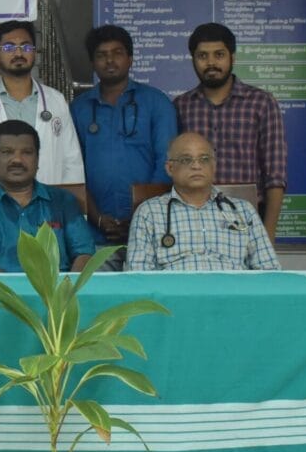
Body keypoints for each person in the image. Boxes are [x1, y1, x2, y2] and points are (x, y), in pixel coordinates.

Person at [174, 22, 287, 239]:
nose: (211, 63)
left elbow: (275, 175)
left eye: (219, 55)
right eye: (202, 56)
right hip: (192, 219)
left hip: (248, 217)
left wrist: (268, 235)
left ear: (232, 58)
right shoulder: (181, 107)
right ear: (193, 60)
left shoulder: (261, 103)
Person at [70, 25, 178, 247]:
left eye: (117, 53)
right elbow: (73, 170)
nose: (110, 60)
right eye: (101, 55)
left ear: (130, 59)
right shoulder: (78, 109)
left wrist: (141, 217)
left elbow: (167, 163)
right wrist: (98, 219)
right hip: (94, 233)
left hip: (152, 231)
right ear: (92, 62)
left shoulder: (156, 103)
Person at [126, 132, 281, 271]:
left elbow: (269, 271)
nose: (196, 166)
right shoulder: (149, 213)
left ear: (214, 166)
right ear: (170, 168)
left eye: (204, 159)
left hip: (233, 292)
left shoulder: (243, 211)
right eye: (186, 160)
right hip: (174, 293)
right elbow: (138, 276)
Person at [0, 120, 94, 273]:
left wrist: (68, 285)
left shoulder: (63, 201)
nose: (17, 160)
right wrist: (11, 287)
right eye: (7, 152)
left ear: (37, 160)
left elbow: (84, 254)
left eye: (27, 152)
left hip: (57, 287)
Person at [0, 20, 84, 186]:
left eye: (26, 47)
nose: (18, 53)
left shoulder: (56, 100)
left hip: (46, 199)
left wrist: (69, 201)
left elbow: (72, 161)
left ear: (35, 53)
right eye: (8, 47)